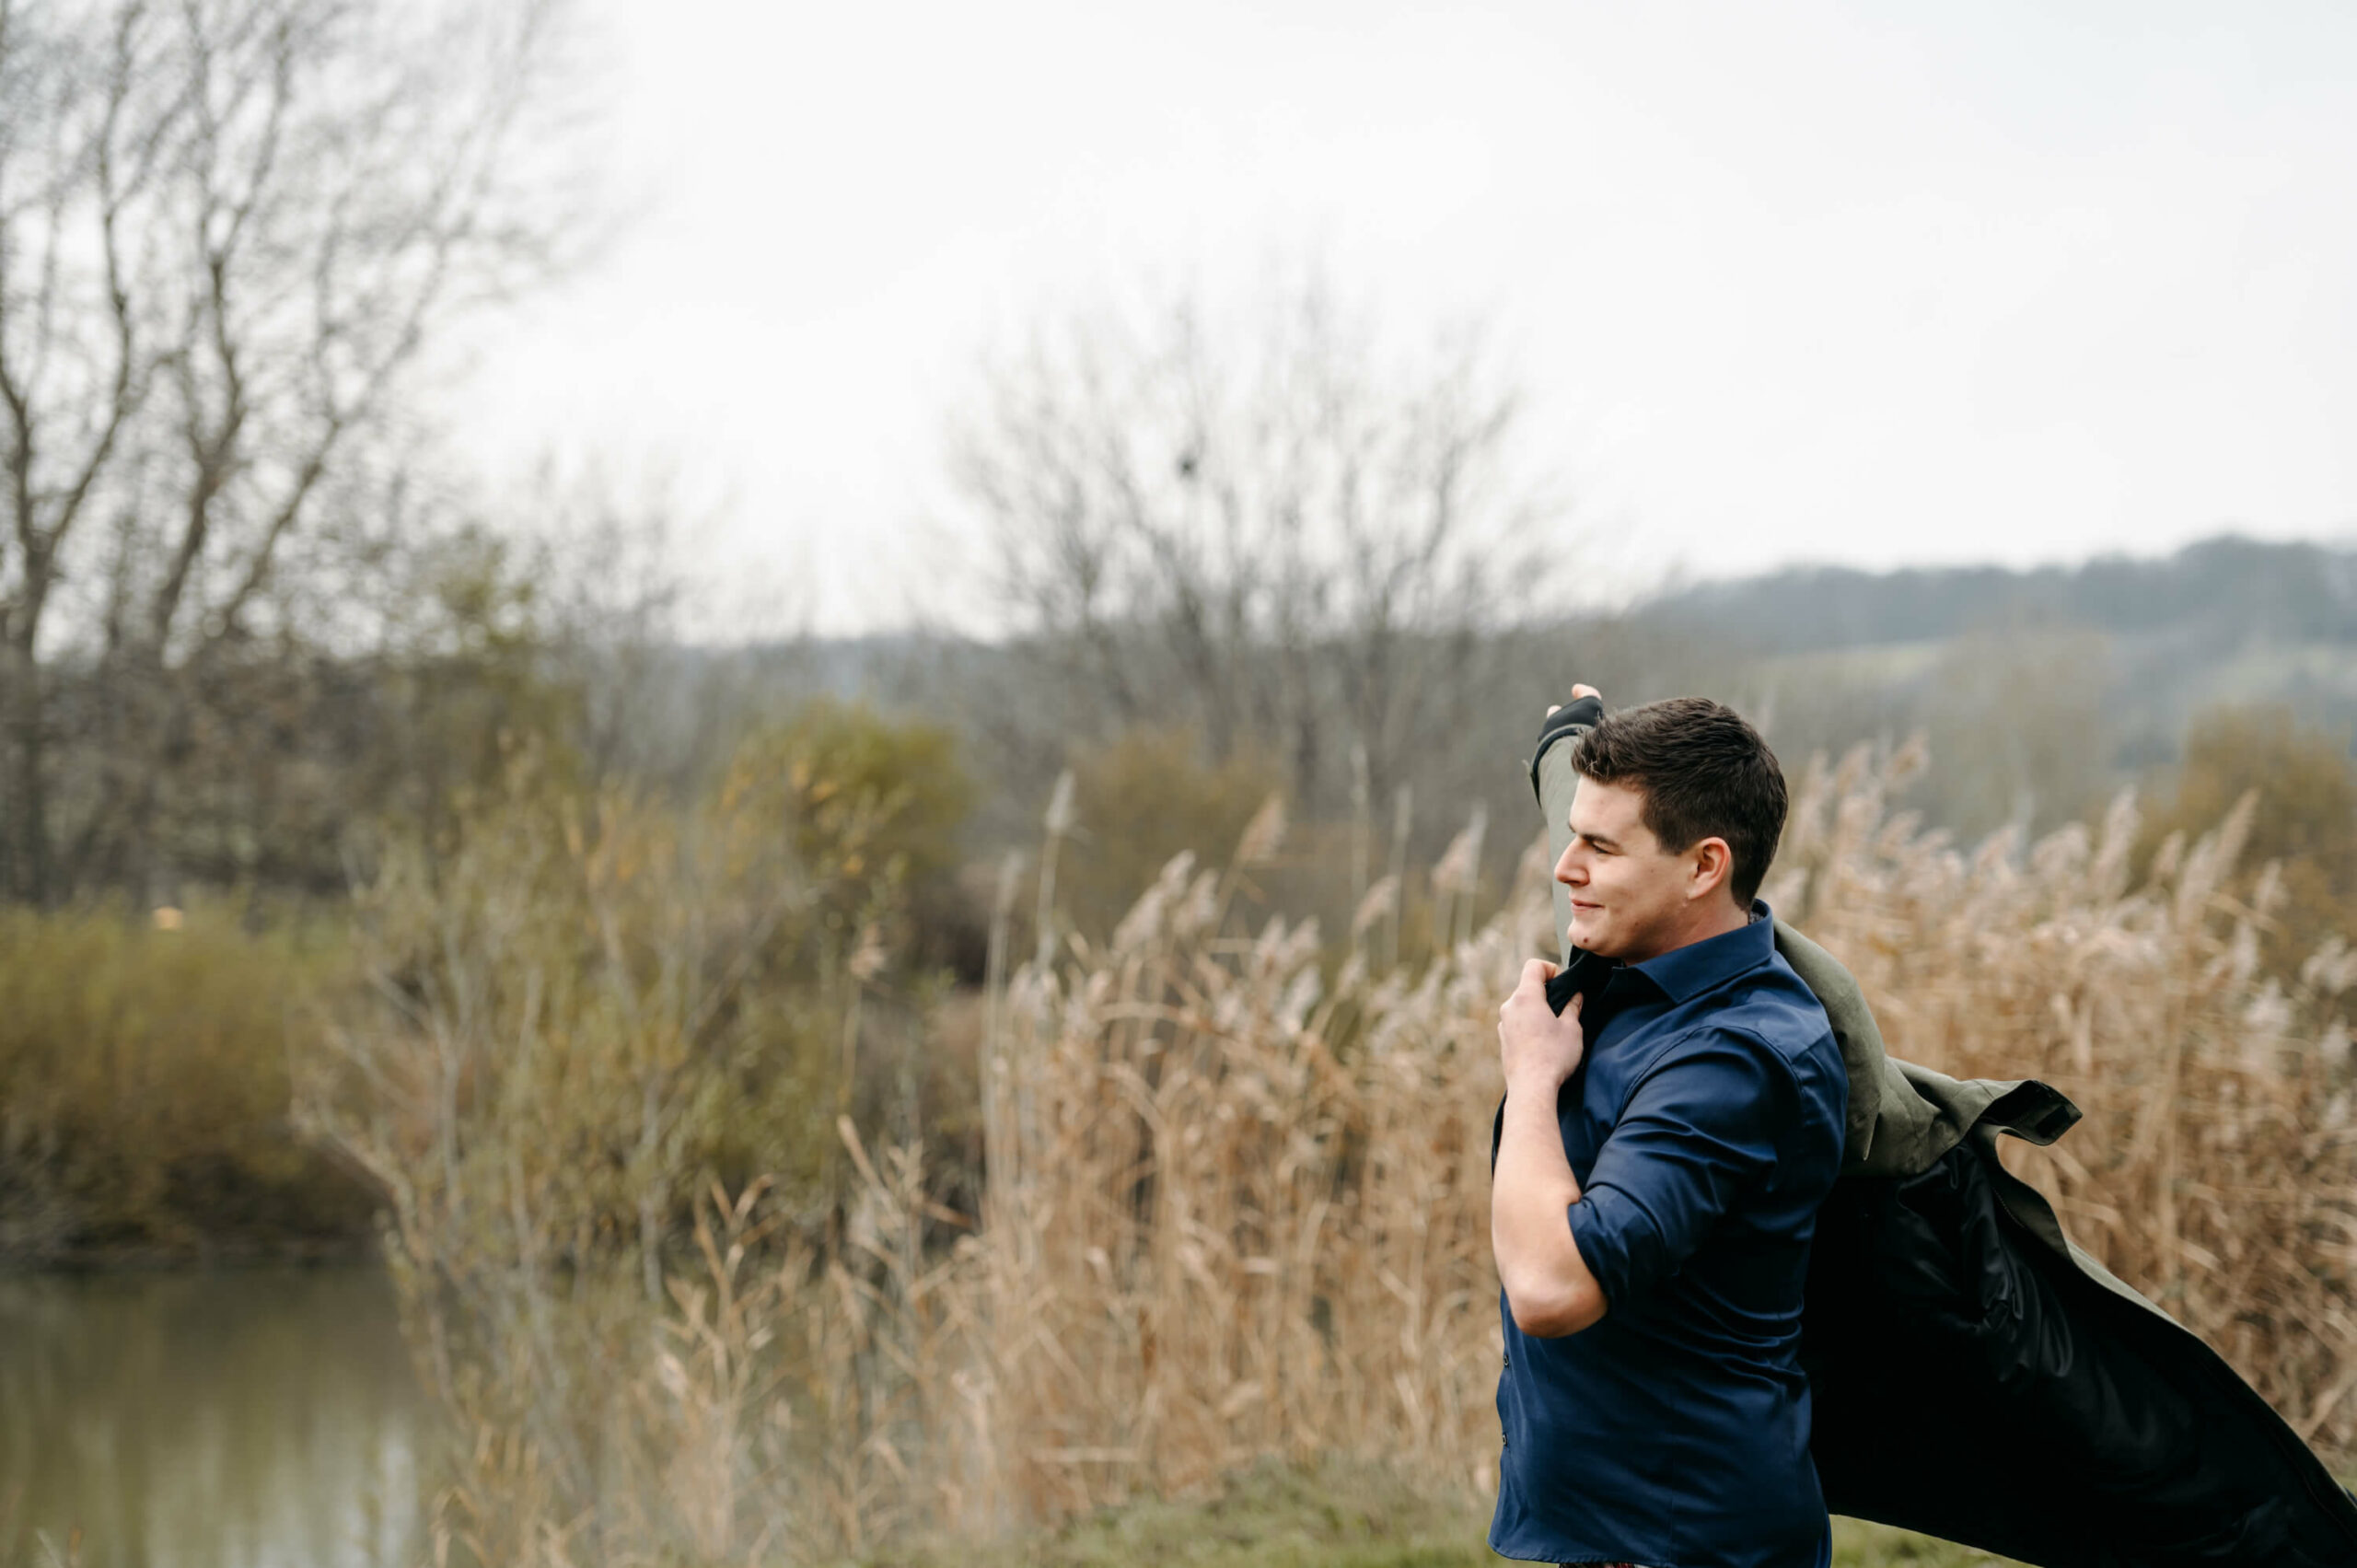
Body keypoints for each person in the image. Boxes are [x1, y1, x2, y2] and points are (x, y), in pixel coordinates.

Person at [1489, 686, 1847, 1568]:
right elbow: (1575, 828)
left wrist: (1533, 1079)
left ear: (1703, 867)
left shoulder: (1738, 1055)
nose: (1564, 866)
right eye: (1572, 832)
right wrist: (1571, 738)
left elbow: (1551, 1288)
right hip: (1600, 1533)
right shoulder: (1635, 961)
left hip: (1687, 1540)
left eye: (1600, 846)